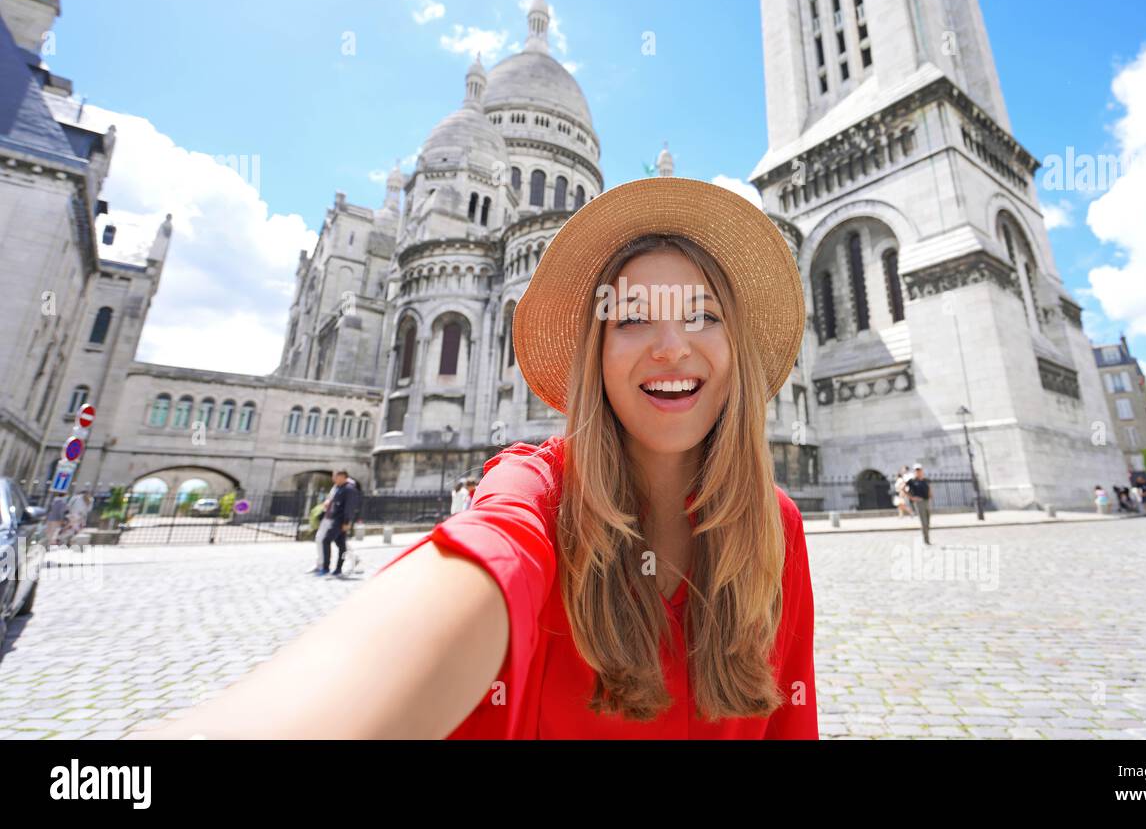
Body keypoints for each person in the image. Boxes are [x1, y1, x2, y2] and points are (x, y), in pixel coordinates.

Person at [143, 177, 818, 739]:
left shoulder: (774, 527)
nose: (672, 346)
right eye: (633, 316)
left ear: (738, 349)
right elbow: (468, 575)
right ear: (594, 357)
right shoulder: (533, 497)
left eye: (702, 313)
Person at [317, 470, 360, 577]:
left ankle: (327, 567)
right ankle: (338, 569)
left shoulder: (349, 489)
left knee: (326, 540)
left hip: (341, 521)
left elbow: (349, 507)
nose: (334, 479)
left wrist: (346, 522)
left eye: (336, 477)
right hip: (336, 519)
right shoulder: (339, 488)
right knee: (341, 545)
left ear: (342, 477)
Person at [905, 463, 932, 545]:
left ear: (922, 470)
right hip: (919, 503)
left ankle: (927, 537)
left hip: (927, 501)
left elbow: (929, 488)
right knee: (923, 522)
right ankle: (926, 540)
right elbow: (903, 489)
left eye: (919, 470)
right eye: (916, 470)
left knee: (928, 521)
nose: (918, 471)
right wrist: (912, 498)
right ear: (914, 471)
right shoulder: (912, 481)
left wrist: (931, 495)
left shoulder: (925, 480)